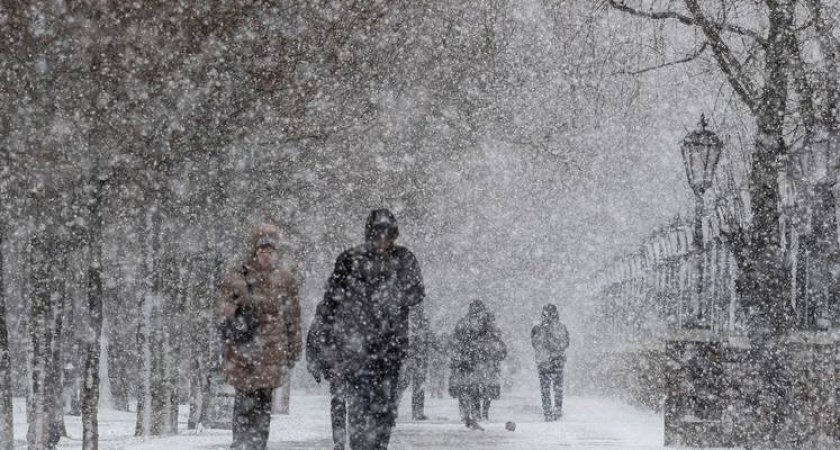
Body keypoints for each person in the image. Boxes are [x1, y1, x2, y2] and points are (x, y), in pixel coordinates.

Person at [311, 209, 425, 450]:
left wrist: (394, 298)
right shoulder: (350, 259)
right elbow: (330, 301)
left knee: (384, 412)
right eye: (377, 234)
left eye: (387, 234)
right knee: (360, 409)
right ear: (370, 234)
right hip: (356, 349)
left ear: (393, 235)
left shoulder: (404, 259)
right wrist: (319, 342)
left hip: (390, 349)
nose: (382, 240)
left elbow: (416, 292)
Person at [215, 223, 302, 450]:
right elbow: (223, 314)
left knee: (262, 406)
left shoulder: (286, 280)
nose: (266, 254)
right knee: (244, 402)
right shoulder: (238, 278)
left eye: (270, 249)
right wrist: (236, 312)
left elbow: (293, 318)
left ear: (277, 251)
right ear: (254, 250)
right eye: (262, 249)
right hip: (243, 354)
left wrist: (293, 348)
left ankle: (256, 446)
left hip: (271, 354)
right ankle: (241, 445)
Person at [449, 300, 507, 429]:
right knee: (484, 388)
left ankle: (470, 414)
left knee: (469, 388)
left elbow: (455, 342)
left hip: (469, 360)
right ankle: (482, 413)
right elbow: (497, 342)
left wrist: (458, 358)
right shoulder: (489, 324)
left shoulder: (463, 323)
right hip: (484, 361)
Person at [306, 307, 348, 450]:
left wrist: (314, 365)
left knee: (339, 401)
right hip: (350, 361)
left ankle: (340, 438)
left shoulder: (327, 305)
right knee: (350, 401)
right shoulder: (360, 301)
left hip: (337, 362)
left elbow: (313, 336)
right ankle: (344, 438)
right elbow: (314, 336)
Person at [531, 304, 569, 421]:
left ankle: (548, 411)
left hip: (544, 361)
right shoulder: (561, 327)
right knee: (557, 387)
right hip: (557, 360)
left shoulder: (537, 328)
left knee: (545, 388)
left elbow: (534, 344)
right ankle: (557, 409)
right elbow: (566, 343)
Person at [397, 310, 430, 420]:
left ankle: (415, 412)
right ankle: (417, 412)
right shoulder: (420, 327)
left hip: (412, 360)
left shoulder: (408, 326)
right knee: (414, 386)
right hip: (415, 360)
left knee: (406, 385)